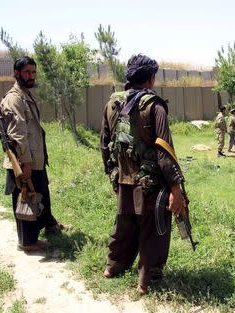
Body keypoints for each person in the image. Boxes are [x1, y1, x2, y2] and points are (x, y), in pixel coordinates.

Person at [100, 54, 186, 295]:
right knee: (154, 229)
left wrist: (113, 175)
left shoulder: (112, 103)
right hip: (150, 183)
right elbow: (165, 152)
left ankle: (113, 266)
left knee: (124, 224)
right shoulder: (154, 105)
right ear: (150, 78)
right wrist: (175, 189)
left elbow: (104, 144)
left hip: (123, 179)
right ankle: (146, 280)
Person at [1, 56, 65, 252]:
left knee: (41, 193)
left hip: (35, 158)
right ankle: (27, 242)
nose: (31, 76)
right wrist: (26, 163)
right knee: (27, 198)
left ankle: (49, 224)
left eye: (33, 72)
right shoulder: (14, 98)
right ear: (16, 73)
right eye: (27, 72)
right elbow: (18, 132)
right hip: (24, 161)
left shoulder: (25, 94)